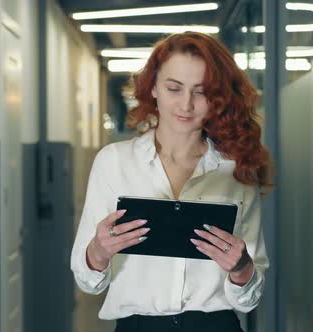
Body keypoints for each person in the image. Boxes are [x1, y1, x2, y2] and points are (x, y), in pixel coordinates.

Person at [70, 31, 273, 332]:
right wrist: (98, 251)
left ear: (218, 98)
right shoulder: (113, 162)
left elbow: (247, 299)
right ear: (153, 87)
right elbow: (88, 282)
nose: (186, 104)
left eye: (201, 92)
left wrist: (242, 268)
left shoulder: (237, 170)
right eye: (174, 88)